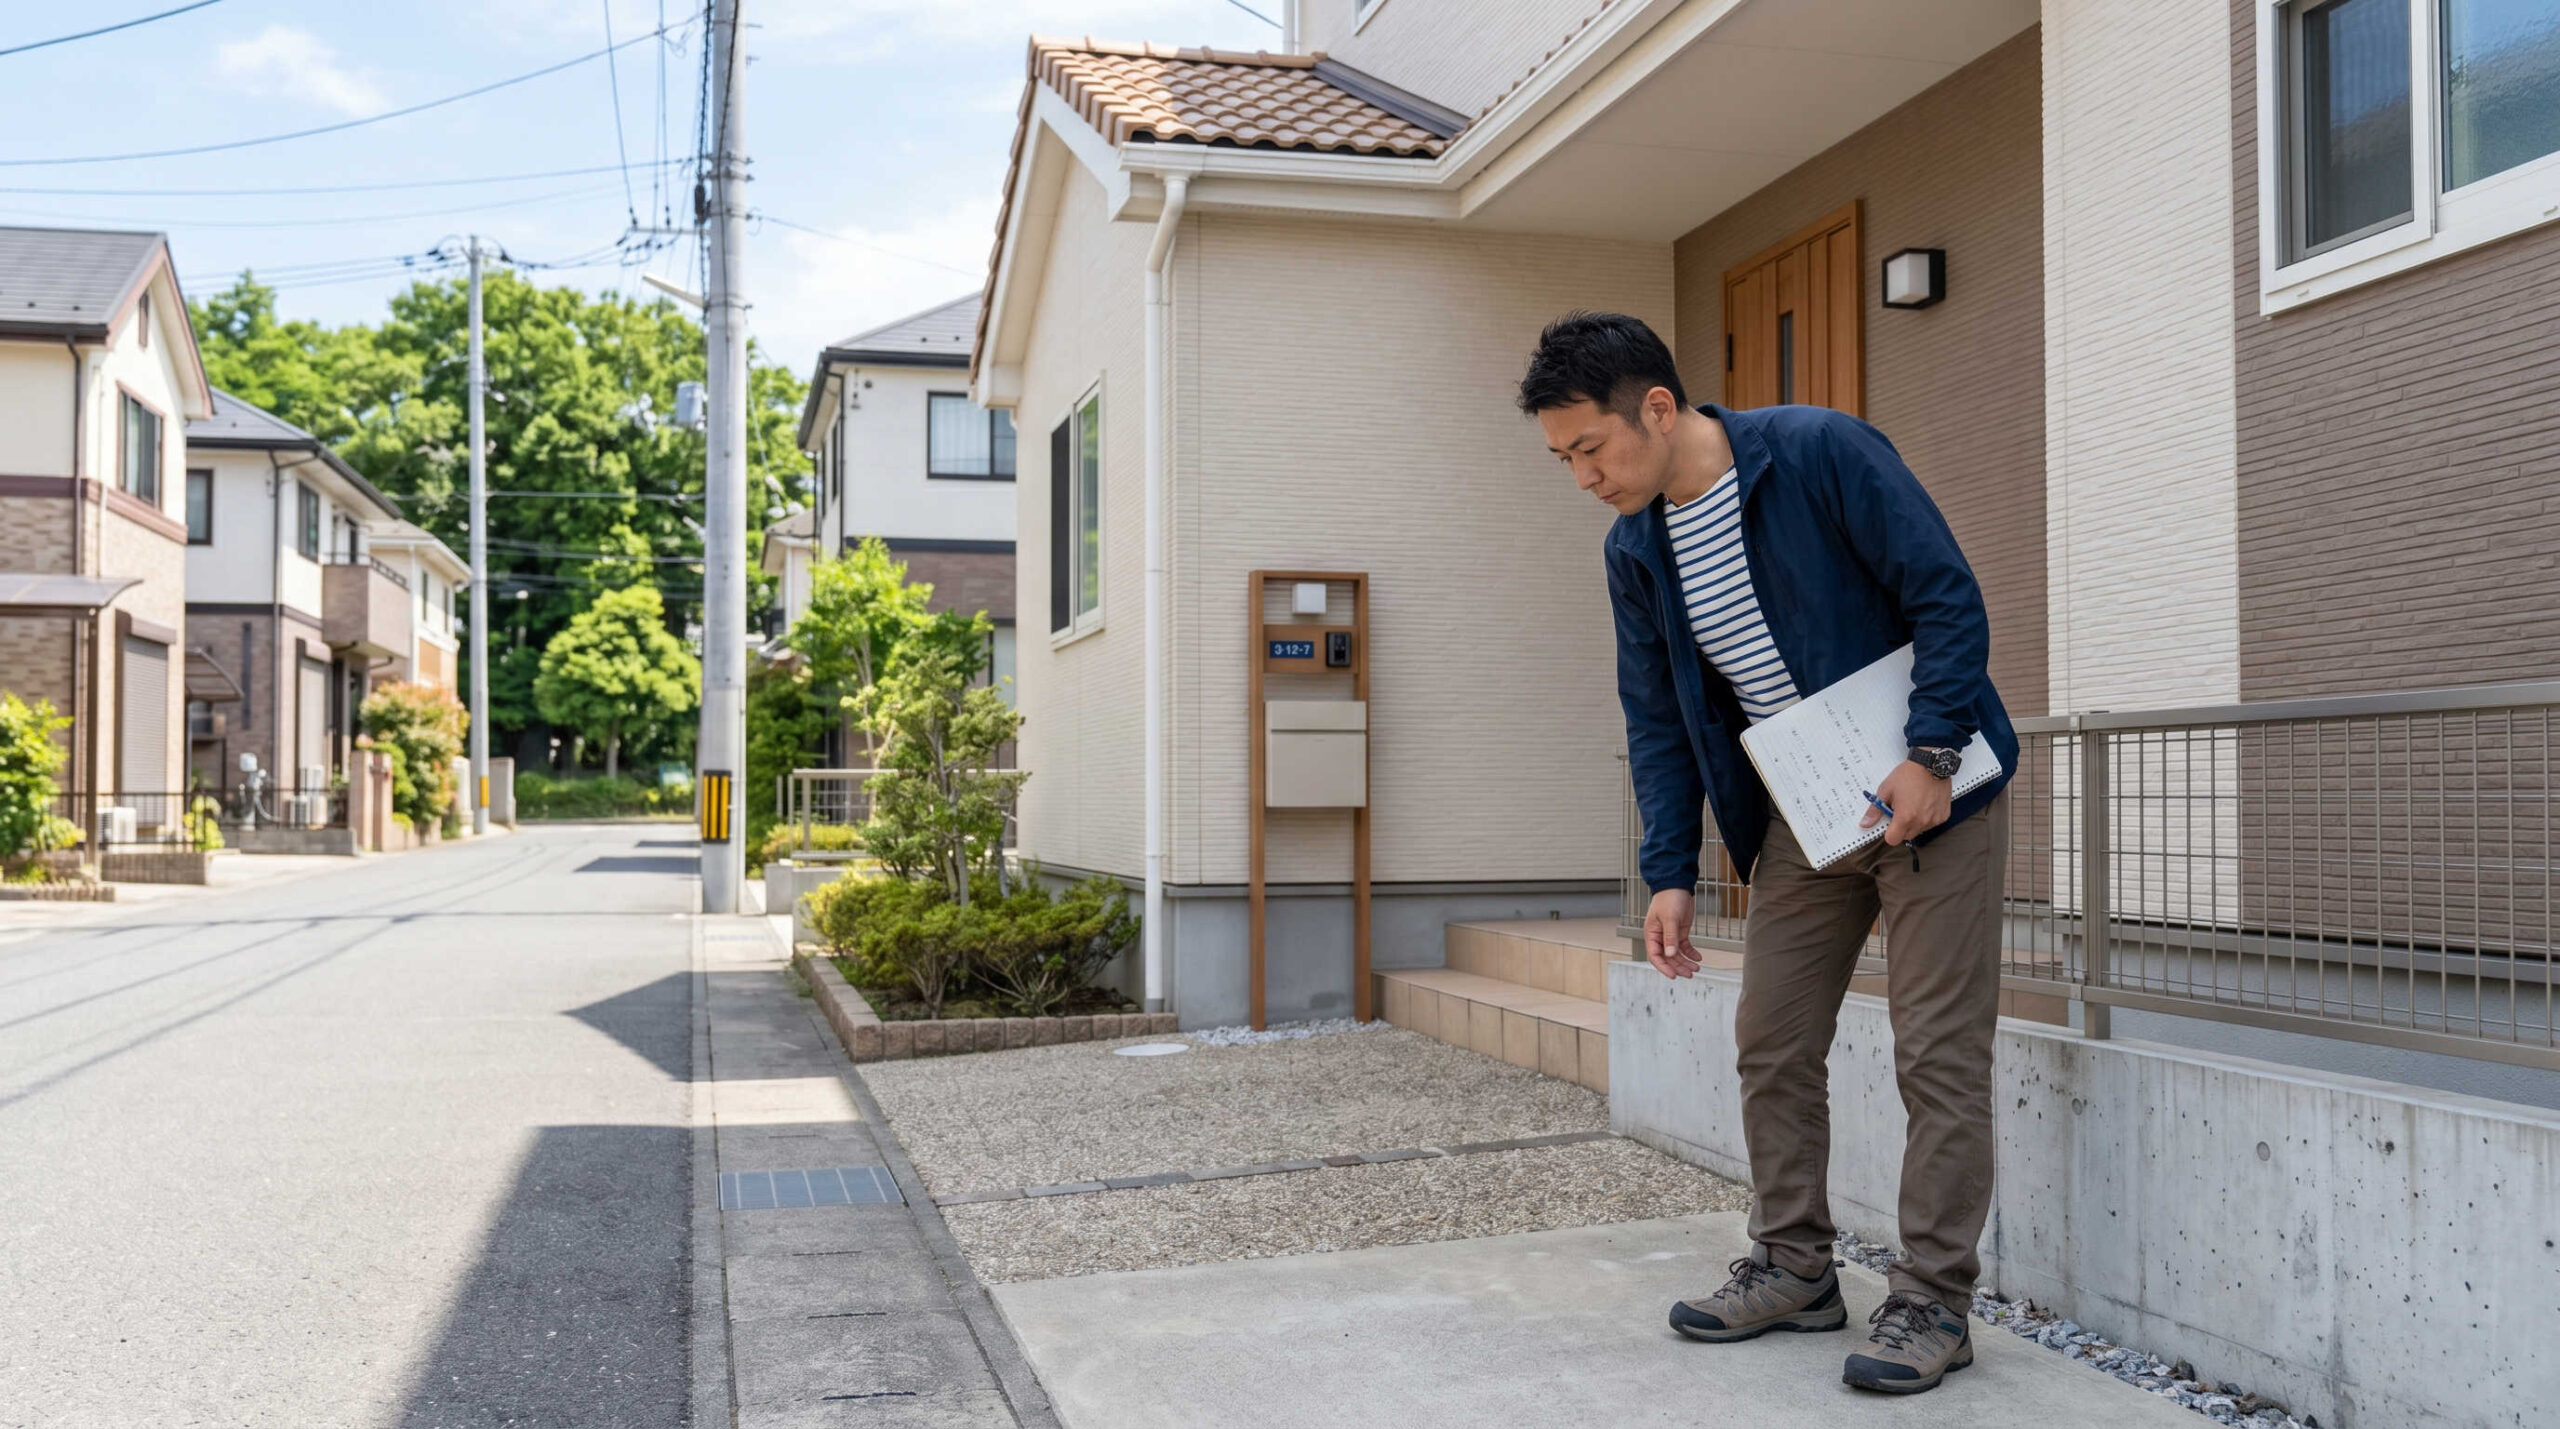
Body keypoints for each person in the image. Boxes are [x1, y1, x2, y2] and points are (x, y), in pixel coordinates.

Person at [1517, 311, 2015, 1395]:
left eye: (1589, 449)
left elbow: (1945, 593)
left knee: (1935, 1052)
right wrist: (1666, 868)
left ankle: (1932, 1299)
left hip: (1931, 800)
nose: (1582, 477)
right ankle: (1795, 1264)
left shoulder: (1818, 449)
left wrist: (1932, 748)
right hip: (1804, 816)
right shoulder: (1635, 551)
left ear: (1655, 408)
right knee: (1770, 1039)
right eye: (1563, 459)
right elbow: (1656, 716)